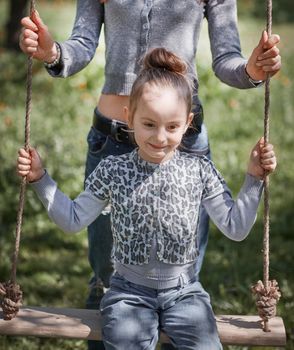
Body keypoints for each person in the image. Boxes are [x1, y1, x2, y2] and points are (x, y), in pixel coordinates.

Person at [19, 2, 281, 349]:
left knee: (181, 272)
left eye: (170, 127)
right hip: (111, 141)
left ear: (183, 123)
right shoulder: (115, 172)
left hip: (185, 148)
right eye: (150, 128)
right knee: (105, 279)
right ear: (132, 116)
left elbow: (226, 59)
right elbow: (81, 45)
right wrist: (52, 51)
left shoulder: (195, 170)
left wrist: (252, 68)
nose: (158, 137)